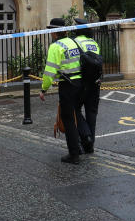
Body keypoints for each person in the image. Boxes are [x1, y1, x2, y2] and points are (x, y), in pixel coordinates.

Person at [39, 17, 88, 164]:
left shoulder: (56, 46)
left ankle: (74, 154)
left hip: (67, 85)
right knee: (77, 114)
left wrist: (44, 89)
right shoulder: (73, 42)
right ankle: (82, 144)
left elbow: (49, 72)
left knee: (68, 120)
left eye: (51, 31)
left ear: (54, 32)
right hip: (80, 84)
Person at [71, 20, 102, 154]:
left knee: (75, 109)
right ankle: (90, 145)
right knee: (92, 113)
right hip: (95, 82)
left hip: (81, 83)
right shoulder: (93, 43)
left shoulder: (75, 42)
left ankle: (86, 135)